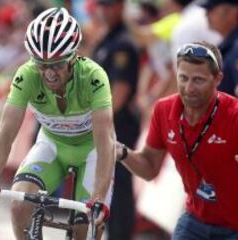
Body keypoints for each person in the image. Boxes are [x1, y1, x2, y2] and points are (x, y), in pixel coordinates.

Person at [115, 41, 238, 240]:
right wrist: (122, 152)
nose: (189, 88)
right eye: (183, 78)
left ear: (217, 79)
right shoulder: (163, 110)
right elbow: (149, 168)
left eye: (198, 80)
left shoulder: (236, 114)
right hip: (196, 220)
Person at [0, 7, 116, 240]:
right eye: (41, 64)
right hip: (52, 145)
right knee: (20, 206)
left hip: (92, 151)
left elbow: (105, 141)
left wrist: (98, 197)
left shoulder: (94, 77)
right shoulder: (26, 75)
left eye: (57, 64)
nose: (49, 73)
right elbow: (5, 133)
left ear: (72, 57)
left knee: (88, 226)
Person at [91, 0, 140, 239]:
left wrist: (99, 124)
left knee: (119, 183)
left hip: (118, 123)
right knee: (105, 182)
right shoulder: (106, 39)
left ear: (121, 7)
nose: (104, 9)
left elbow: (120, 90)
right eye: (101, 5)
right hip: (106, 122)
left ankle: (121, 235)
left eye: (109, 5)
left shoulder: (124, 44)